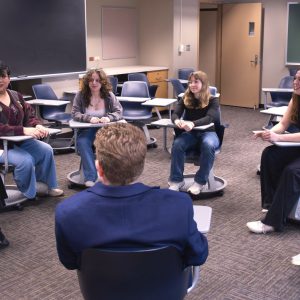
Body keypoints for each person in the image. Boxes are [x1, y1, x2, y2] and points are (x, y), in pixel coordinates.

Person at [55, 123, 208, 270]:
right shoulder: (179, 205)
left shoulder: (67, 211)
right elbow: (198, 255)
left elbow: (70, 262)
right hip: (165, 290)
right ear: (141, 165)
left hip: (100, 290)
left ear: (99, 169)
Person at [247, 69, 300, 234]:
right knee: (270, 155)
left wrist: (280, 138)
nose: (295, 82)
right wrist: (271, 133)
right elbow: (283, 124)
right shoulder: (296, 99)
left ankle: (272, 222)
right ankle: (271, 205)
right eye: (295, 78)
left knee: (292, 171)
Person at [0, 61, 63, 199]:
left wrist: (37, 125)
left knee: (46, 150)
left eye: (3, 76)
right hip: (2, 147)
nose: (0, 80)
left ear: (8, 78)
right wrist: (23, 130)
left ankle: (46, 186)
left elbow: (29, 115)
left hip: (19, 141)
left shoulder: (16, 95)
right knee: (26, 160)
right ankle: (28, 191)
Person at [168, 70, 220, 195]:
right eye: (190, 82)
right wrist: (177, 121)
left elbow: (210, 118)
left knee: (208, 145)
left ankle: (200, 182)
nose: (192, 85)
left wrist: (192, 123)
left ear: (204, 83)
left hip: (208, 133)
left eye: (196, 82)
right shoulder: (185, 98)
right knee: (177, 144)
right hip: (191, 133)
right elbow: (175, 114)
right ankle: (176, 180)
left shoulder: (213, 100)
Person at [71, 69, 123, 187]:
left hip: (106, 130)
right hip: (87, 129)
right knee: (83, 142)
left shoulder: (109, 96)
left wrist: (109, 118)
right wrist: (88, 118)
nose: (94, 83)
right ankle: (91, 177)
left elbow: (119, 111)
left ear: (102, 82)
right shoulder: (81, 95)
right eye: (91, 80)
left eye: (97, 80)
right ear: (87, 82)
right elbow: (75, 113)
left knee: (113, 144)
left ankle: (114, 176)